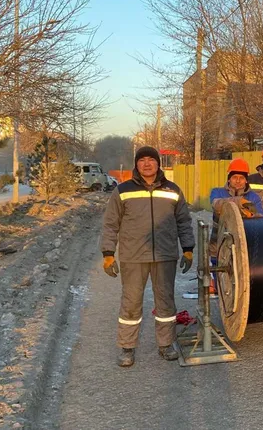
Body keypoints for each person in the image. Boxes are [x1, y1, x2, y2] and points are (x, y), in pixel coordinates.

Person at [101, 146, 195, 368]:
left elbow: (183, 221)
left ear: (158, 163)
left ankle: (166, 344)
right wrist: (108, 253)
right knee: (131, 302)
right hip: (133, 256)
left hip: (164, 254)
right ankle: (127, 347)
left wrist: (188, 248)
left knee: (165, 301)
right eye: (142, 160)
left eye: (150, 160)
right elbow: (110, 223)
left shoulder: (173, 190)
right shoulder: (123, 190)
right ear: (136, 164)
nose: (146, 164)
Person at [184, 158, 263, 300]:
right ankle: (219, 291)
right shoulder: (217, 192)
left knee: (241, 272)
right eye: (234, 177)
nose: (238, 181)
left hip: (244, 241)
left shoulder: (254, 197)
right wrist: (239, 202)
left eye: (241, 178)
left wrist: (253, 215)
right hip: (219, 240)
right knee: (219, 269)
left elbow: (261, 216)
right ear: (229, 179)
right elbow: (217, 205)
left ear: (246, 180)